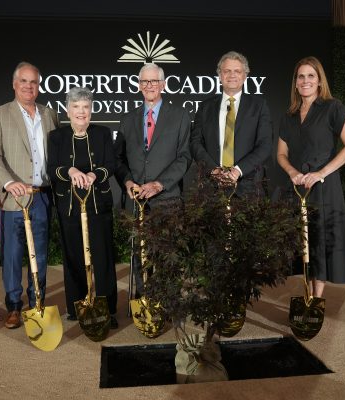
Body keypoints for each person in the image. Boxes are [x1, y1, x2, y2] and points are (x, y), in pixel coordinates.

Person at [0, 62, 59, 329]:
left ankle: (37, 301)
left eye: (34, 82)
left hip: (42, 196)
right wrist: (7, 182)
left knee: (39, 254)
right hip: (13, 197)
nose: (29, 86)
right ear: (14, 84)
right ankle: (14, 306)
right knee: (13, 255)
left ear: (39, 86)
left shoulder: (49, 114)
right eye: (24, 81)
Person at [277, 56, 345, 298]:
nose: (305, 81)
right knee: (304, 242)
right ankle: (306, 294)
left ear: (320, 81)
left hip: (324, 186)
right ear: (295, 82)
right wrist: (293, 172)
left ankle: (315, 300)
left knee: (321, 241)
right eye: (301, 76)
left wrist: (321, 173)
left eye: (311, 76)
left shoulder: (332, 108)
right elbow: (281, 154)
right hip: (298, 187)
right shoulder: (288, 116)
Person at [114, 63, 192, 295]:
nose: (149, 86)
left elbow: (185, 157)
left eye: (154, 81)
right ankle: (144, 300)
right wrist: (128, 181)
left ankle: (167, 301)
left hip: (167, 199)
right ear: (139, 86)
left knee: (168, 255)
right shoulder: (128, 119)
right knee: (140, 252)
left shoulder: (180, 116)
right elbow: (118, 159)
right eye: (144, 82)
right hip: (136, 200)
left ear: (163, 85)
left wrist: (159, 184)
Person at [47, 87, 118, 329]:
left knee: (104, 258)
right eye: (76, 107)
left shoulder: (103, 133)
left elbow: (111, 164)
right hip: (68, 206)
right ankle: (77, 307)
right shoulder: (56, 137)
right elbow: (52, 169)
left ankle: (107, 309)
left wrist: (94, 174)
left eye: (85, 107)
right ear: (68, 110)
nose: (81, 112)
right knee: (73, 257)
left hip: (98, 204)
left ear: (91, 110)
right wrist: (71, 171)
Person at [190, 51, 272, 196]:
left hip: (248, 187)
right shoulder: (205, 107)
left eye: (237, 71)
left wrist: (237, 171)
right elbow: (195, 143)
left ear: (245, 75)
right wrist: (214, 171)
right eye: (227, 71)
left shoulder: (259, 106)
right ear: (220, 75)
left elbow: (265, 145)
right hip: (211, 188)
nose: (232, 75)